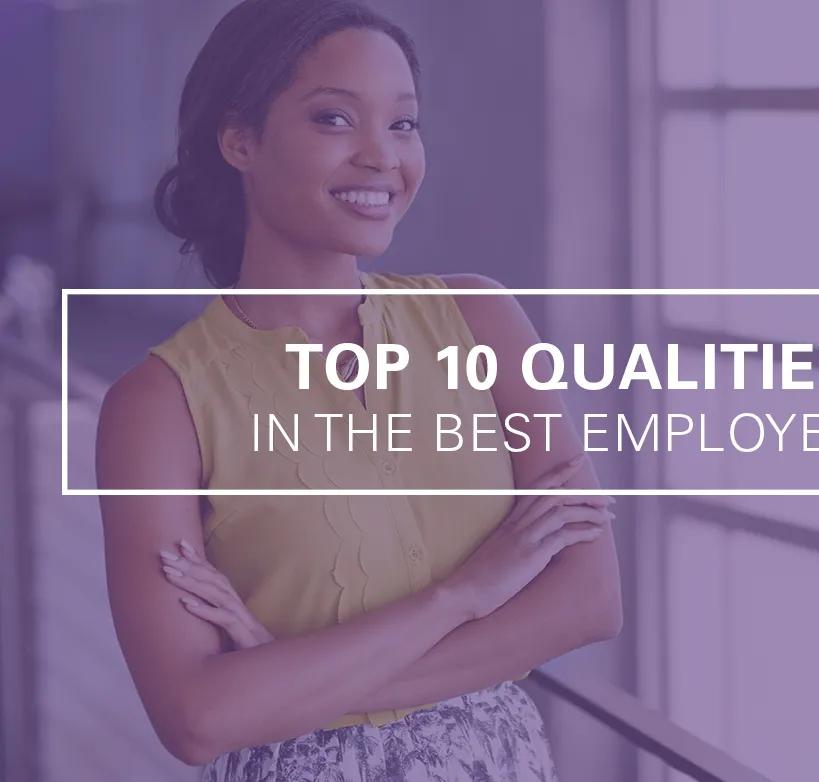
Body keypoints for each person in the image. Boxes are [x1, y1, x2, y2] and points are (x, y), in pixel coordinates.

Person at [95, 1, 622, 779]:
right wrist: (466, 595)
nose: (382, 157)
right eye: (335, 120)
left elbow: (588, 601)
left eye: (403, 124)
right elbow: (197, 718)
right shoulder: (158, 406)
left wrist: (290, 680)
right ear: (241, 139)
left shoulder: (482, 320)